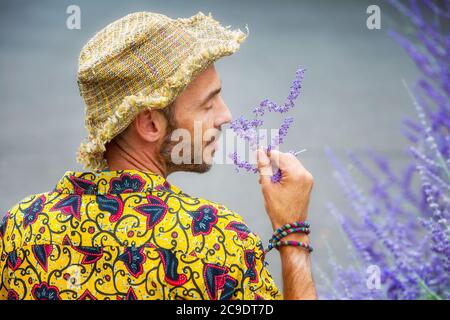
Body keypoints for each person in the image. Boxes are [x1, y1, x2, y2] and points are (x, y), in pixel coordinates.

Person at [0, 11, 316, 300]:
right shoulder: (217, 242)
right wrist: (293, 234)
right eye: (208, 104)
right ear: (150, 124)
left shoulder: (20, 229)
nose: (226, 116)